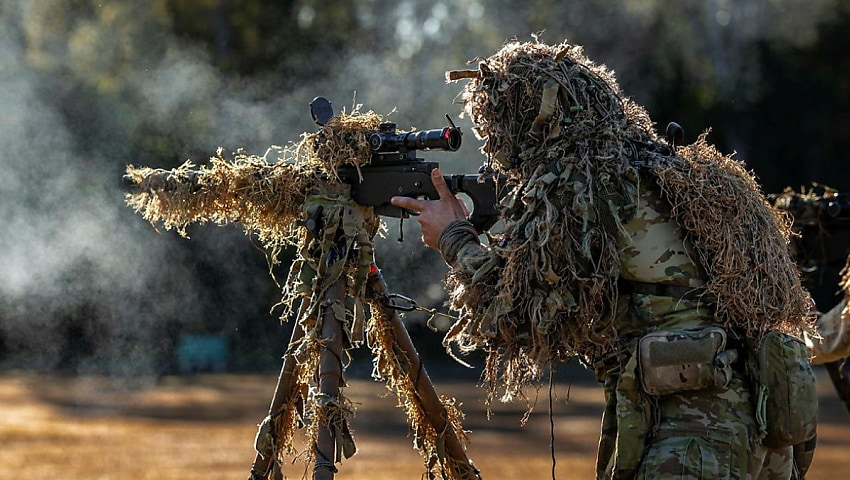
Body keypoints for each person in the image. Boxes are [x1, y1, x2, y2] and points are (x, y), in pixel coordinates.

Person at [391, 40, 817, 479]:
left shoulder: (585, 181)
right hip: (764, 429)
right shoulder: (693, 175)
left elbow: (515, 316)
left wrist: (454, 237)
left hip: (692, 434)